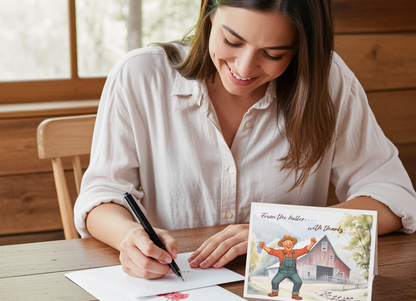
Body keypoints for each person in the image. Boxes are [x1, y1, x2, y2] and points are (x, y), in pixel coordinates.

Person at [74, 0, 416, 280]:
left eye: (273, 54)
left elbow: (393, 198)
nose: (244, 67)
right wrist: (128, 237)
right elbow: (100, 196)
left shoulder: (328, 82)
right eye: (232, 41)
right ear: (209, 14)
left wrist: (280, 231)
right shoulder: (140, 76)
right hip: (170, 294)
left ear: (300, 50)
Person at [260, 235, 317, 300]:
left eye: (290, 243)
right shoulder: (280, 252)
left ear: (292, 244)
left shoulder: (296, 252)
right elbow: (271, 251)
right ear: (283, 244)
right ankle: (275, 292)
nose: (288, 244)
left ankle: (295, 295)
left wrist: (312, 243)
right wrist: (264, 247)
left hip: (292, 272)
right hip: (282, 272)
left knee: (298, 282)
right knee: (274, 281)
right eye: (286, 243)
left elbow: (305, 250)